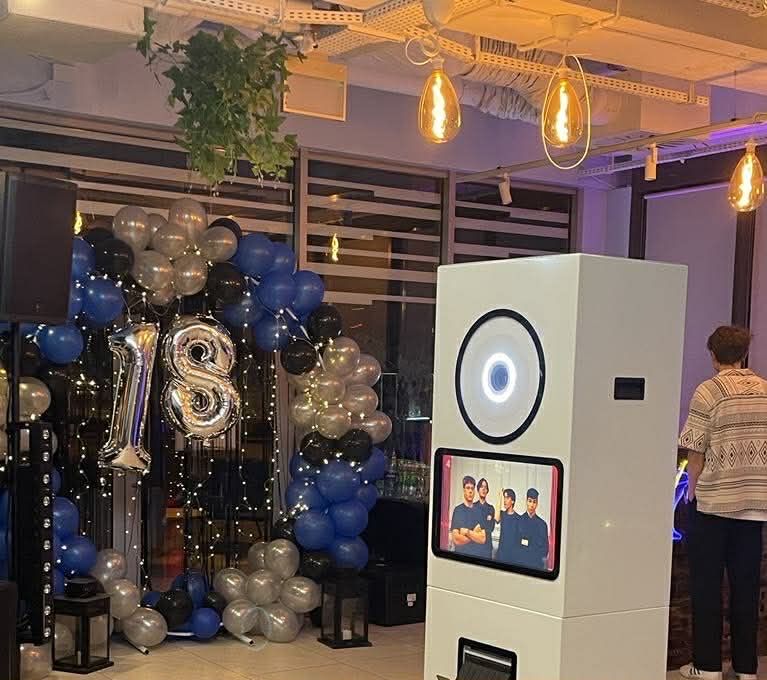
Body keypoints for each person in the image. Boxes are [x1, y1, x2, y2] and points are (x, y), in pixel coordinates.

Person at [678, 326, 767, 680]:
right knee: (746, 588)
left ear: (713, 356)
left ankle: (708, 666)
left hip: (713, 504)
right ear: (743, 354)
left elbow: (695, 451)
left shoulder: (708, 392)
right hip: (754, 506)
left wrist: (692, 489)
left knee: (706, 587)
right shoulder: (765, 391)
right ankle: (746, 669)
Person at [450, 475, 486, 557]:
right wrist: (474, 534)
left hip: (475, 557)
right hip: (460, 557)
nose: (470, 491)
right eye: (468, 488)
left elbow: (482, 539)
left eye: (472, 488)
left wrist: (467, 532)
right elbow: (456, 539)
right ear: (464, 490)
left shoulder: (479, 511)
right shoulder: (458, 510)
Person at [516, 488, 549, 570]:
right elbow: (515, 544)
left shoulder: (542, 524)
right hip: (521, 563)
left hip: (536, 564)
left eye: (534, 502)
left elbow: (545, 548)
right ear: (526, 501)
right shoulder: (518, 521)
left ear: (537, 504)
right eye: (530, 501)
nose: (532, 505)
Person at [494, 488, 520, 563]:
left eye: (507, 498)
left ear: (513, 501)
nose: (505, 500)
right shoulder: (502, 514)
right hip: (501, 554)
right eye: (504, 498)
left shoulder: (518, 518)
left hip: (513, 556)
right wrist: (499, 497)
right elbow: (496, 518)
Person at [474, 478, 496, 559]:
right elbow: (471, 527)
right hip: (475, 546)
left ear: (487, 491)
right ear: (478, 489)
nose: (483, 489)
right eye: (481, 487)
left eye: (485, 487)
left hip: (487, 547)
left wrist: (480, 526)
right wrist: (486, 522)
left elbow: (491, 528)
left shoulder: (491, 508)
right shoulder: (472, 506)